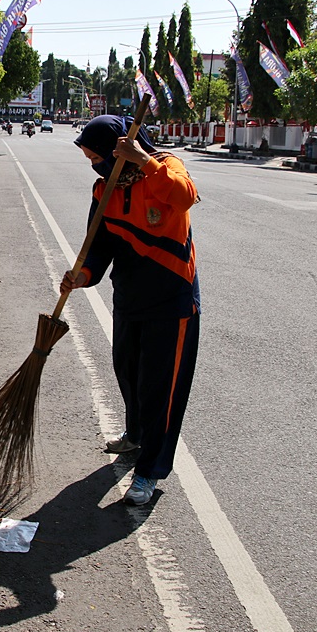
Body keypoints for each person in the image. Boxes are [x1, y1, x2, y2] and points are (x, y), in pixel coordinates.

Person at [61, 114, 201, 506]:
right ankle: (136, 434)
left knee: (161, 389)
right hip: (129, 297)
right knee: (128, 371)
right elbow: (98, 246)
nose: (94, 165)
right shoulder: (103, 190)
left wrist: (143, 160)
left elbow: (185, 195)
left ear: (118, 151)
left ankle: (149, 471)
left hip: (171, 300)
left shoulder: (165, 167)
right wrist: (82, 275)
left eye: (96, 157)